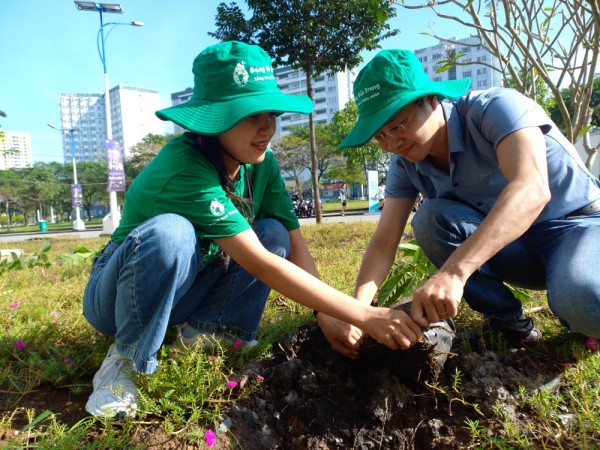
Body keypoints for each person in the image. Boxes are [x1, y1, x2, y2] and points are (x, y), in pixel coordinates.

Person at [82, 41, 422, 420]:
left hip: (186, 287)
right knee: (171, 234)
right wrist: (365, 316)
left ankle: (208, 333)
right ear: (216, 119)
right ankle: (124, 358)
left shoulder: (261, 164)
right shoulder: (184, 165)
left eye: (272, 114)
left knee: (273, 231)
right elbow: (259, 264)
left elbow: (293, 243)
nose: (268, 128)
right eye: (251, 116)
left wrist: (327, 315)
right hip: (119, 295)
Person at [316, 48, 600, 356]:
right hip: (515, 250)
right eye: (380, 136)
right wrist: (358, 312)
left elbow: (531, 189)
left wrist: (453, 272)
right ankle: (508, 325)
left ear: (431, 100)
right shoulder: (405, 165)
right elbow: (385, 241)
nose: (393, 143)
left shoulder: (494, 109)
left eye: (398, 126)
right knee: (430, 218)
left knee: (582, 299)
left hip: (576, 227)